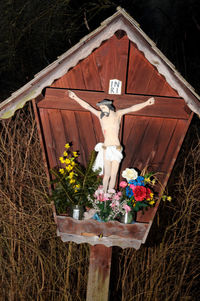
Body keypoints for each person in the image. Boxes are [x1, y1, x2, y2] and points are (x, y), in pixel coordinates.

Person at [68, 90, 155, 192]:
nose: (102, 109)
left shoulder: (117, 114)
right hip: (106, 147)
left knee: (114, 174)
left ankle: (110, 193)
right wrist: (75, 97)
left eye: (103, 107)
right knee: (107, 174)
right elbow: (88, 107)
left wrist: (146, 103)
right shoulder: (101, 116)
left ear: (108, 107)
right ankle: (104, 193)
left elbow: (132, 108)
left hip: (117, 148)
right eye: (101, 108)